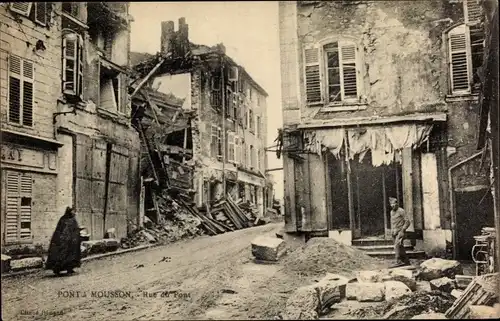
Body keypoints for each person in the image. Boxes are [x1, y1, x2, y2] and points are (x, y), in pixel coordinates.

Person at [45, 207, 81, 276]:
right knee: (61, 255)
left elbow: (75, 229)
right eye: (73, 211)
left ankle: (70, 269)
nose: (74, 213)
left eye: (74, 211)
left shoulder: (73, 220)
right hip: (63, 242)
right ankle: (57, 270)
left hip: (72, 242)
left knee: (72, 255)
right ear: (69, 211)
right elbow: (60, 230)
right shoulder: (63, 219)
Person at [389, 197, 411, 267]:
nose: (393, 206)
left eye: (394, 204)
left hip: (400, 231)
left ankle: (398, 261)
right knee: (400, 246)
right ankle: (406, 261)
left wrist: (403, 230)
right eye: (391, 204)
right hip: (394, 232)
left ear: (397, 204)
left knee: (397, 245)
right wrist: (392, 231)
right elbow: (392, 222)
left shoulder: (401, 211)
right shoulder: (391, 212)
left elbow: (407, 221)